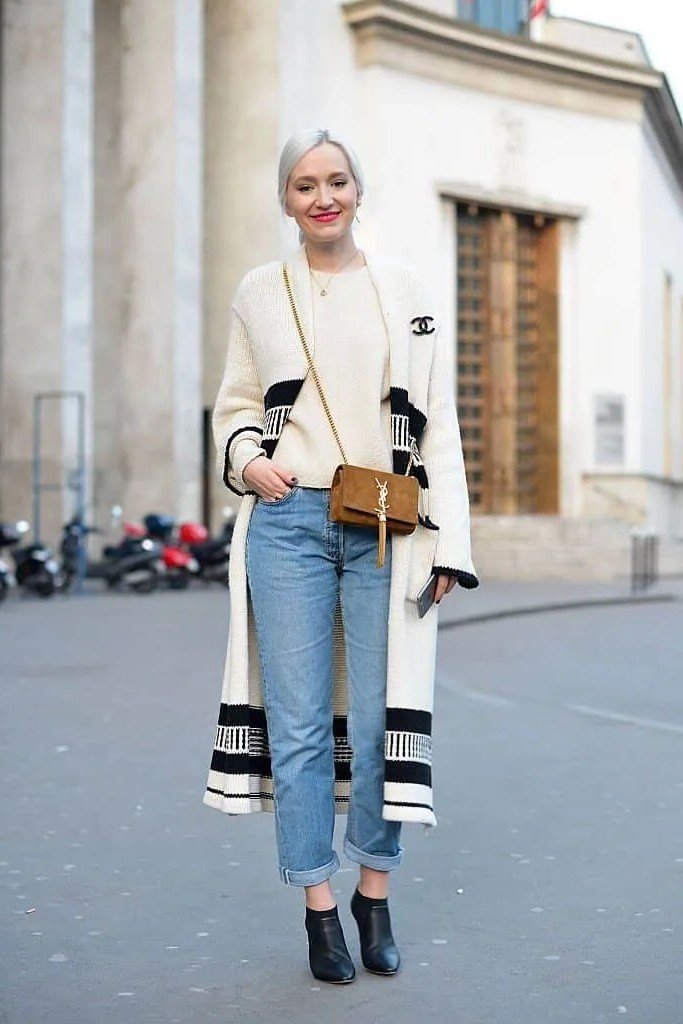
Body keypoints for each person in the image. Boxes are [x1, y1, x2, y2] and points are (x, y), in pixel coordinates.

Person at [203, 127, 479, 984]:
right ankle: (318, 908)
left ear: (359, 191)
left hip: (386, 528)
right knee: (295, 724)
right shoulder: (261, 290)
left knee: (381, 719)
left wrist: (449, 542)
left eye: (335, 181)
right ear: (284, 199)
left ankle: (374, 891)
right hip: (287, 522)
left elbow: (437, 419)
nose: (321, 197)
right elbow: (235, 405)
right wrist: (249, 460)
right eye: (302, 184)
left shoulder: (405, 293)